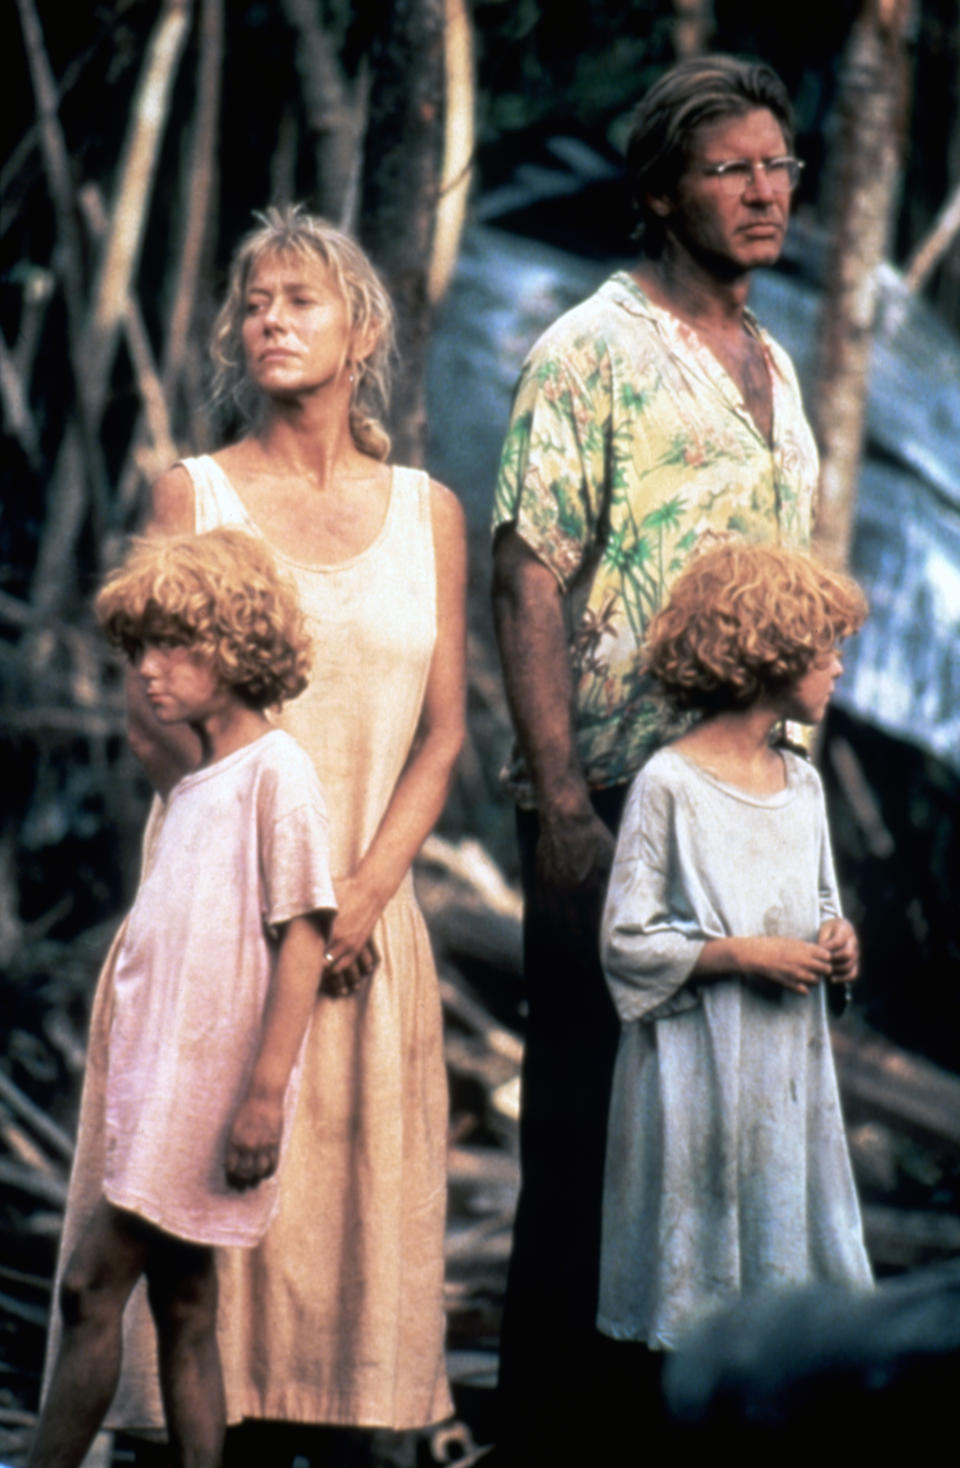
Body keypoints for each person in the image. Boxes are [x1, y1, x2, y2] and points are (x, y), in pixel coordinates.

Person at [47, 207, 466, 1453]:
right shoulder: (199, 492)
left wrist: (360, 898)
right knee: (185, 1260)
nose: (270, 320)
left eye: (301, 299)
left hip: (370, 932)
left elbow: (442, 736)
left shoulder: (428, 510)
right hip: (220, 934)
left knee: (340, 1245)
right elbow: (150, 717)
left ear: (363, 329)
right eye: (255, 303)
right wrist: (269, 895)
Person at [490, 53, 819, 1459]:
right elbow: (528, 574)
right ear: (659, 192)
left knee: (734, 1118)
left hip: (748, 794)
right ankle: (558, 1430)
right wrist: (562, 800)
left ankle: (696, 1413)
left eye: (776, 164)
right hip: (621, 796)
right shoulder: (591, 350)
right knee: (591, 1123)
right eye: (727, 167)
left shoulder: (777, 360)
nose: (762, 190)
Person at [32, 528, 337, 1468]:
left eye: (177, 648)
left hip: (210, 1098)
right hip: (159, 1085)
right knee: (185, 1308)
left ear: (238, 647)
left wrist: (262, 1094)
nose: (151, 675)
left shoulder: (275, 775)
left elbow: (306, 936)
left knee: (89, 1290)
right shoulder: (195, 786)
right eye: (142, 652)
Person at [598, 542, 872, 1377]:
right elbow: (624, 940)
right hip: (698, 1074)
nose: (835, 663)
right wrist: (741, 954)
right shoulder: (669, 785)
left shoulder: (804, 785)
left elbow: (821, 905)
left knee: (787, 1253)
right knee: (702, 1263)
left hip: (784, 1074)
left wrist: (839, 945)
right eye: (823, 645)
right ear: (768, 650)